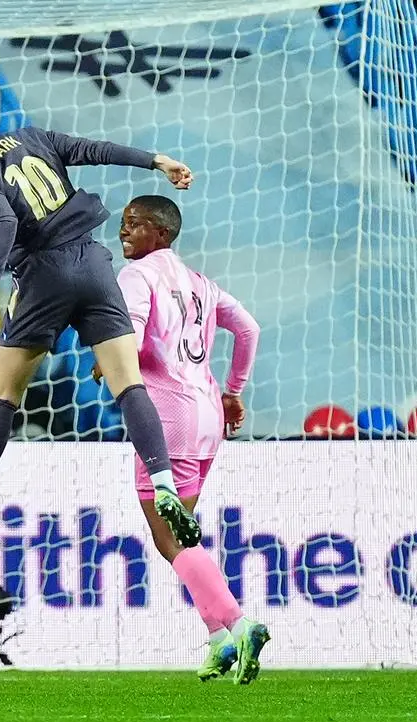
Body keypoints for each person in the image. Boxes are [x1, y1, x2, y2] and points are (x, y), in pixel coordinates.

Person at [0, 85, 200, 549]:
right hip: (91, 261)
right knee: (130, 386)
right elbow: (93, 150)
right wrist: (157, 161)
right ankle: (165, 483)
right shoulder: (32, 136)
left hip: (44, 276)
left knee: (2, 395)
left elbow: (3, 222)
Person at [100, 195, 268, 684]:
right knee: (181, 535)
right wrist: (235, 391)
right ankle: (218, 639)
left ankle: (240, 624)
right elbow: (249, 329)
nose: (123, 231)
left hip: (165, 418)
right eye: (124, 223)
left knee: (168, 537)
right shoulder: (201, 284)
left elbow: (125, 338)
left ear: (161, 233)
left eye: (134, 224)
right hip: (207, 415)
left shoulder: (137, 276)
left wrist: (108, 361)